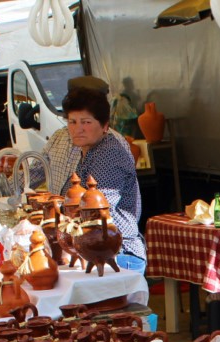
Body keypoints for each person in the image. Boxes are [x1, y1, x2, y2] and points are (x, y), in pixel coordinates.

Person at [28, 78, 145, 268]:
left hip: (118, 252)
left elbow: (93, 210)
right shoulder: (87, 151)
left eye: (86, 122)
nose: (78, 129)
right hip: (92, 249)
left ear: (105, 125)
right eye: (72, 122)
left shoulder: (110, 151)